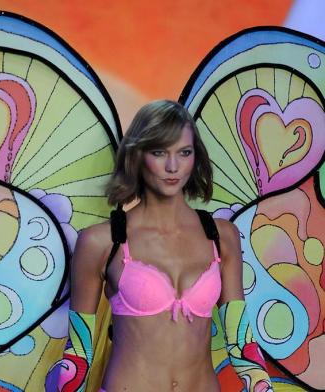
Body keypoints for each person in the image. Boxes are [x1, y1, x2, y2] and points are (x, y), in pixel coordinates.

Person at [61, 100, 273, 391]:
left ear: (195, 157)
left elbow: (241, 343)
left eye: (184, 153)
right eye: (159, 152)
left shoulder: (221, 237)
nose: (173, 166)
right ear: (137, 156)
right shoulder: (101, 241)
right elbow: (78, 355)